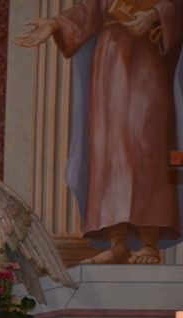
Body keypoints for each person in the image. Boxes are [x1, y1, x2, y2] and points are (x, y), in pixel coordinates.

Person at [14, 0, 183, 264]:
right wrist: (54, 23)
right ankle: (118, 243)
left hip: (148, 58)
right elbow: (90, 8)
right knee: (109, 149)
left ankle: (149, 242)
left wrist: (153, 15)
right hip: (110, 61)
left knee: (147, 146)